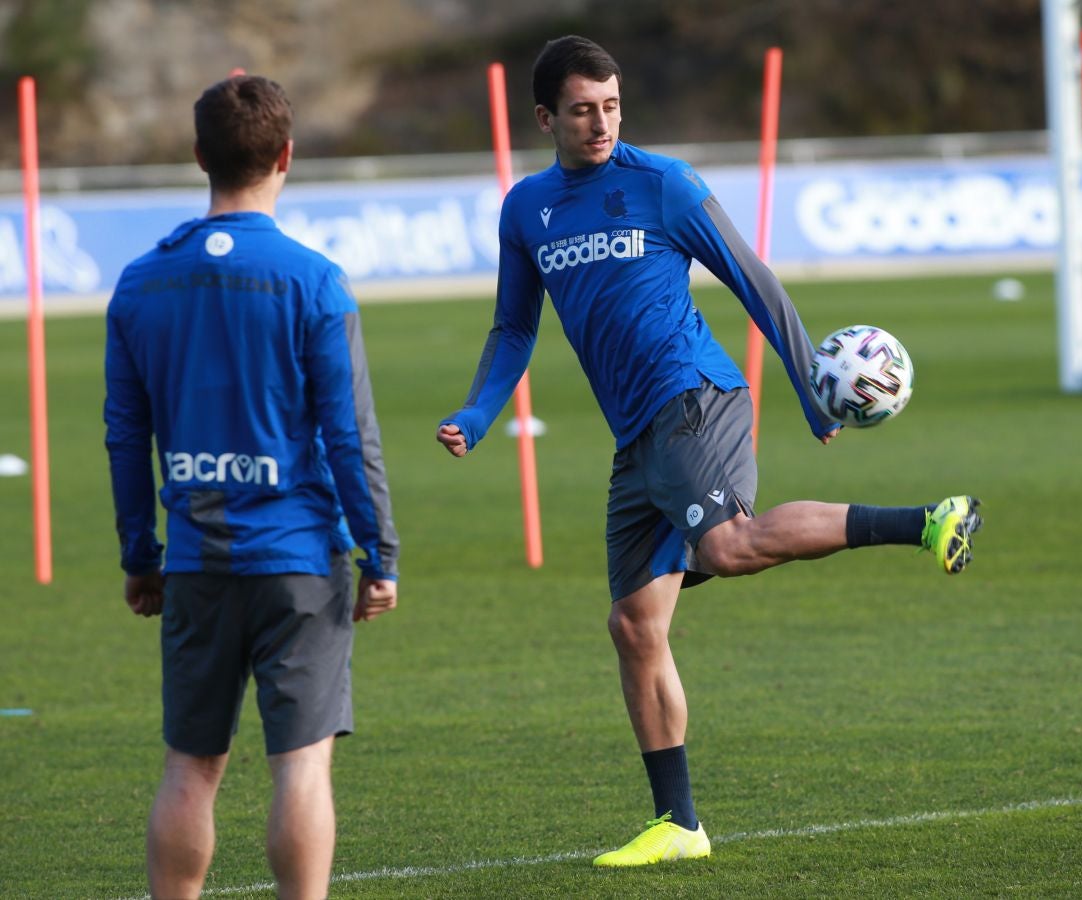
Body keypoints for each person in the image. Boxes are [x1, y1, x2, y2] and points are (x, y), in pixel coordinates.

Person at [436, 35, 981, 867]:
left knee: (726, 545)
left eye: (611, 105)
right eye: (582, 110)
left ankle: (927, 520)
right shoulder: (527, 209)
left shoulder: (664, 184)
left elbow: (751, 277)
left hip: (694, 396)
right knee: (633, 624)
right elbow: (514, 326)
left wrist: (807, 387)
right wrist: (477, 415)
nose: (600, 123)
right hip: (636, 437)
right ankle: (679, 824)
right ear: (545, 116)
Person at [105, 75, 400, 900]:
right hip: (299, 558)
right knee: (300, 768)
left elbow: (127, 436)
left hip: (196, 559)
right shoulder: (315, 281)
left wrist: (140, 554)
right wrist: (380, 553)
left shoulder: (139, 283)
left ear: (199, 156)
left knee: (191, 767)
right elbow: (349, 435)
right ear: (286, 156)